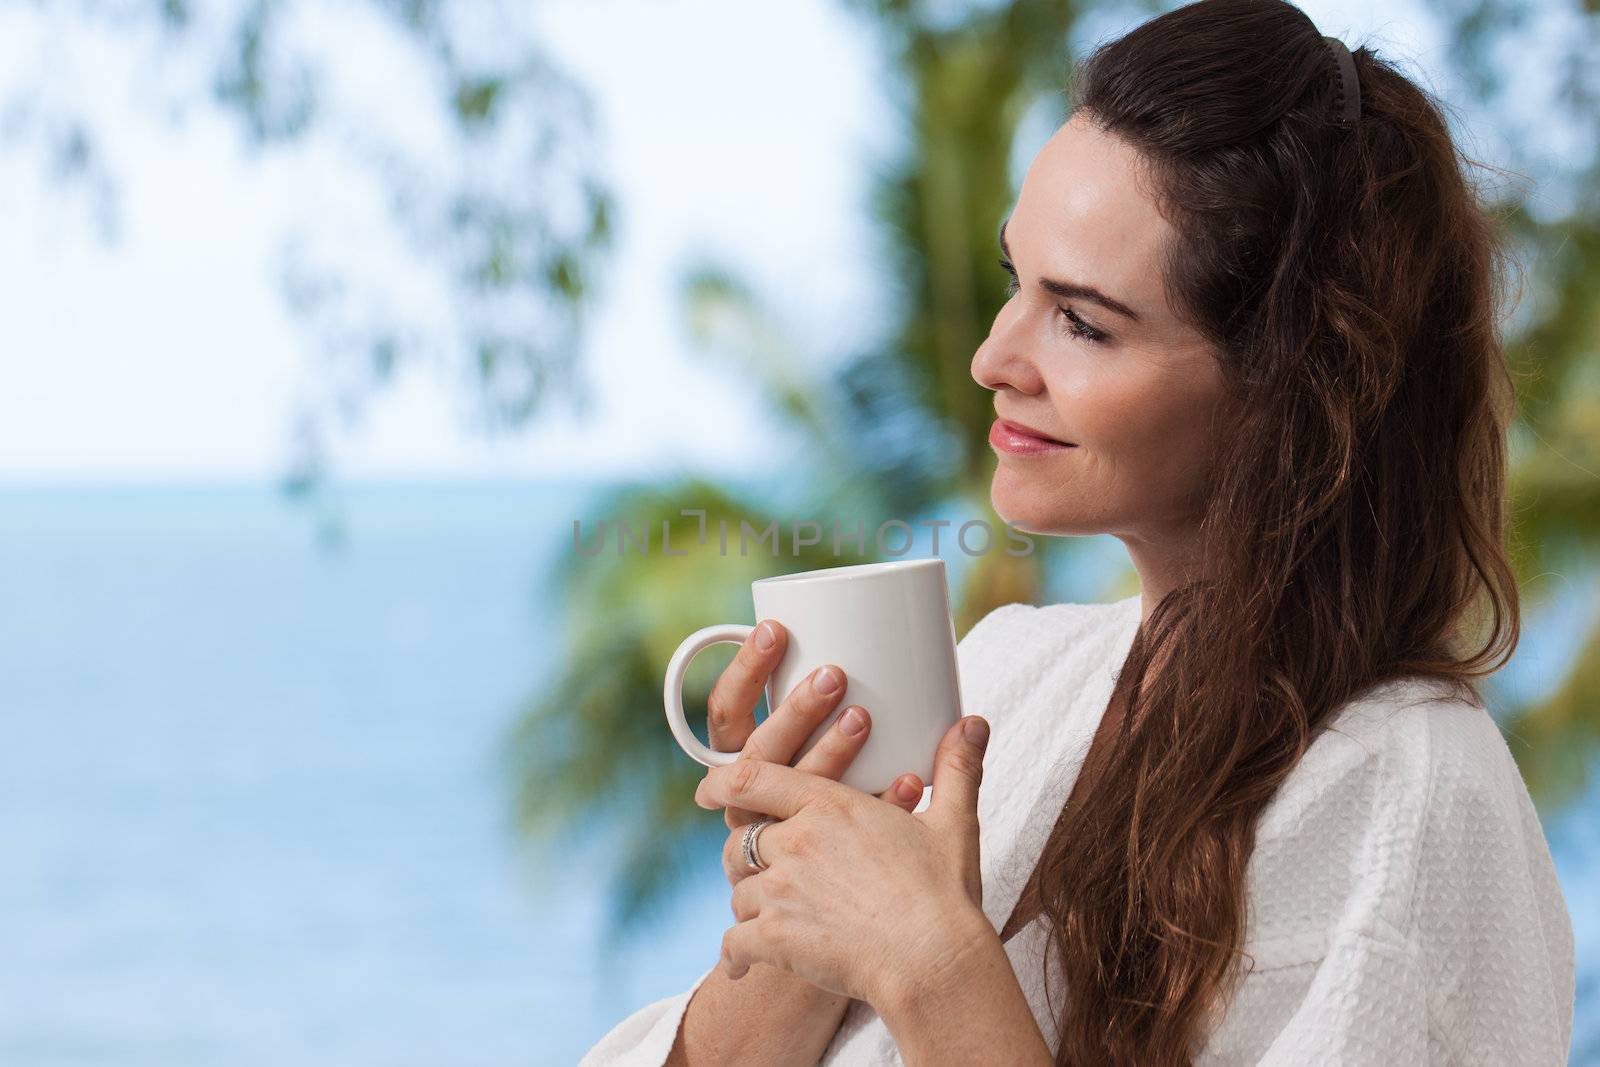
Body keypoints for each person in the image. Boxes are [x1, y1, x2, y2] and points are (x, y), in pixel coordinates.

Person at [581, 0, 1576, 1062]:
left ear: (1293, 387)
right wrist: (808, 913)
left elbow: (929, 973)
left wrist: (931, 962)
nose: (994, 360)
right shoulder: (1006, 676)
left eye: (1084, 321)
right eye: (1018, 281)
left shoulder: (1407, 797)